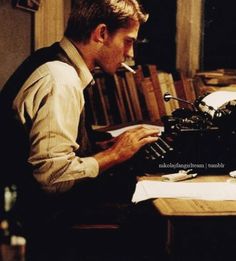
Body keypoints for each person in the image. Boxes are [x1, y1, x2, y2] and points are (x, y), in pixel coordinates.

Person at [0, 0, 162, 260]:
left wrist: (100, 148)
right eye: (129, 41)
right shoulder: (61, 79)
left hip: (35, 212)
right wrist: (115, 155)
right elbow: (52, 178)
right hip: (41, 224)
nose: (130, 55)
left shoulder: (52, 60)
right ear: (101, 33)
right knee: (148, 220)